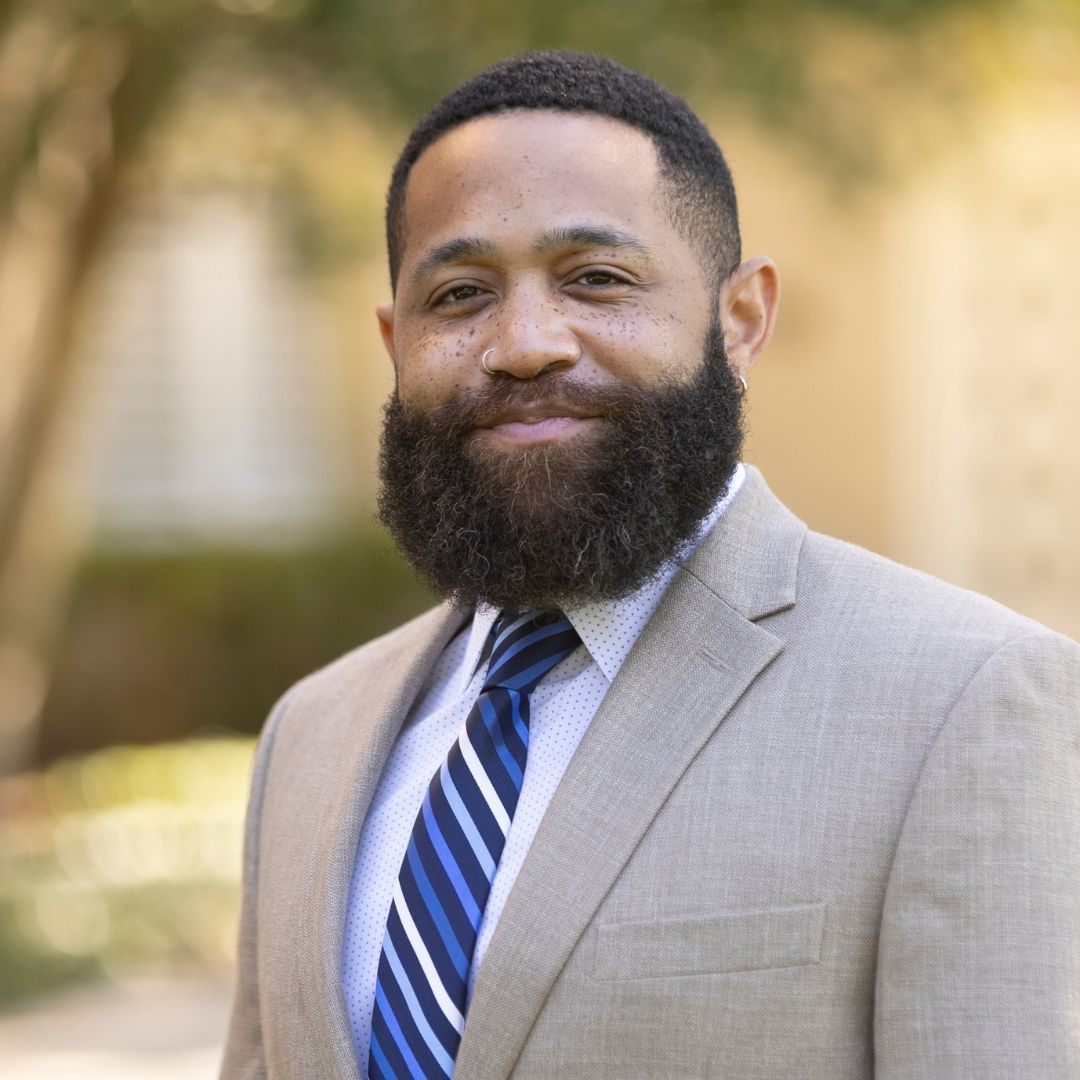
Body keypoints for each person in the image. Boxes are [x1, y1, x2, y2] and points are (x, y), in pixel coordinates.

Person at [219, 52, 1080, 1080]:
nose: (525, 343)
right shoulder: (311, 734)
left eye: (596, 279)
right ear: (395, 340)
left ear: (742, 318)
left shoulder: (970, 702)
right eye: (460, 294)